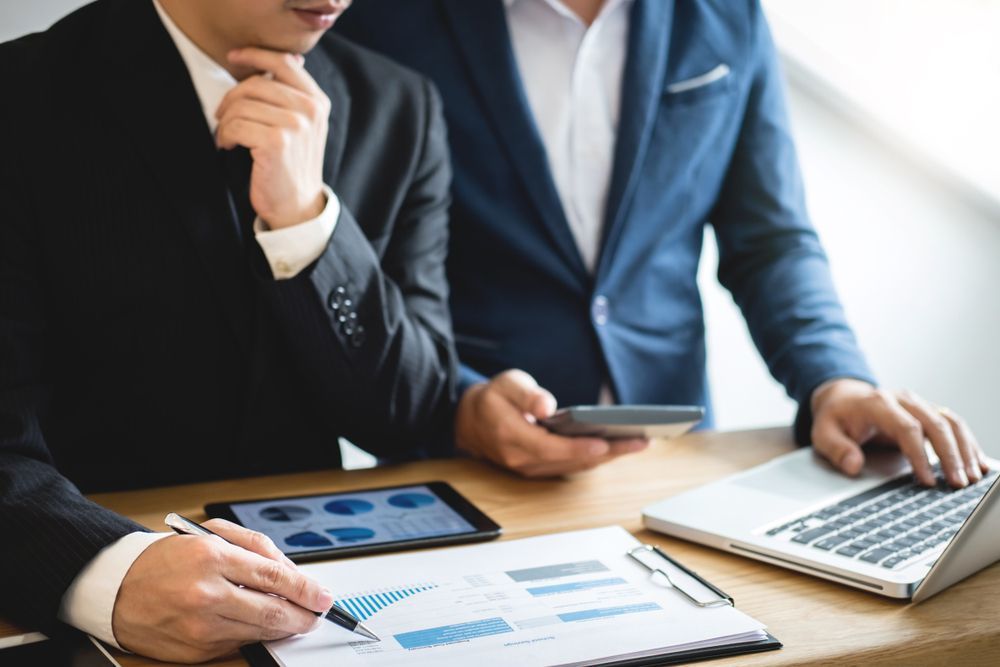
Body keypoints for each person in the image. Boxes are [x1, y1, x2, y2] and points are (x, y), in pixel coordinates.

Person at [336, 1, 988, 480]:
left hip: (676, 461)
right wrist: (459, 403)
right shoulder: (375, 19)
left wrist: (834, 380)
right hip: (463, 462)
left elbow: (771, 240)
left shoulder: (729, 13)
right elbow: (359, 269)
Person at [0, 0, 457, 661]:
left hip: (314, 602)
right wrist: (109, 572)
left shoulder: (400, 104)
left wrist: (306, 224)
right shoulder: (20, 95)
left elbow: (410, 412)